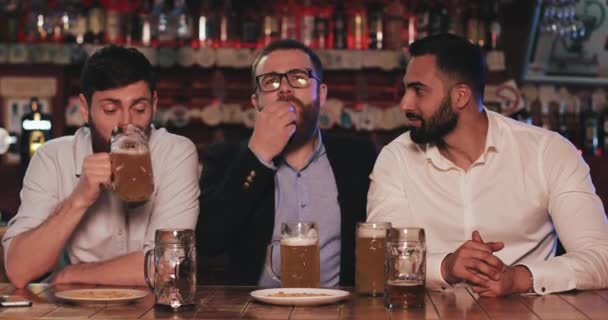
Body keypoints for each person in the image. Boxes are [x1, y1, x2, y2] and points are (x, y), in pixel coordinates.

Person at [367, 33, 608, 297]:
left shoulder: (547, 152)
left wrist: (521, 278)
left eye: (418, 91)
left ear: (460, 96)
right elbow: (379, 260)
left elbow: (601, 257)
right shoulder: (396, 158)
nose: (405, 104)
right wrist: (445, 267)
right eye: (406, 90)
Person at [3, 45, 200, 288]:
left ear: (155, 103)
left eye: (139, 109)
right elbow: (19, 271)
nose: (126, 123)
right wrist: (79, 198)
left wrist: (72, 274)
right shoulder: (52, 157)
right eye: (110, 110)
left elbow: (170, 266)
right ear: (85, 108)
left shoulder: (175, 152)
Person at [196, 39, 377, 287]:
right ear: (256, 102)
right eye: (271, 81)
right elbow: (208, 243)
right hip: (252, 312)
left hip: (339, 310)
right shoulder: (226, 157)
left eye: (299, 78)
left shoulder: (358, 156)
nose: (284, 89)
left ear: (321, 95)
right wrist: (258, 155)